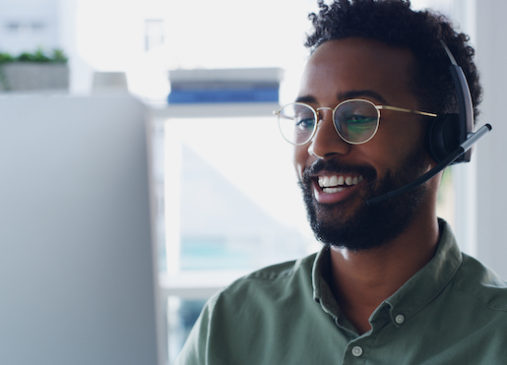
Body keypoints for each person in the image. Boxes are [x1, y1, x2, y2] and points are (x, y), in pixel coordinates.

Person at [176, 1, 507, 363]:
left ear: (441, 139)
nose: (320, 145)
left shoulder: (496, 336)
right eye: (306, 119)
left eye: (359, 116)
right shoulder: (229, 323)